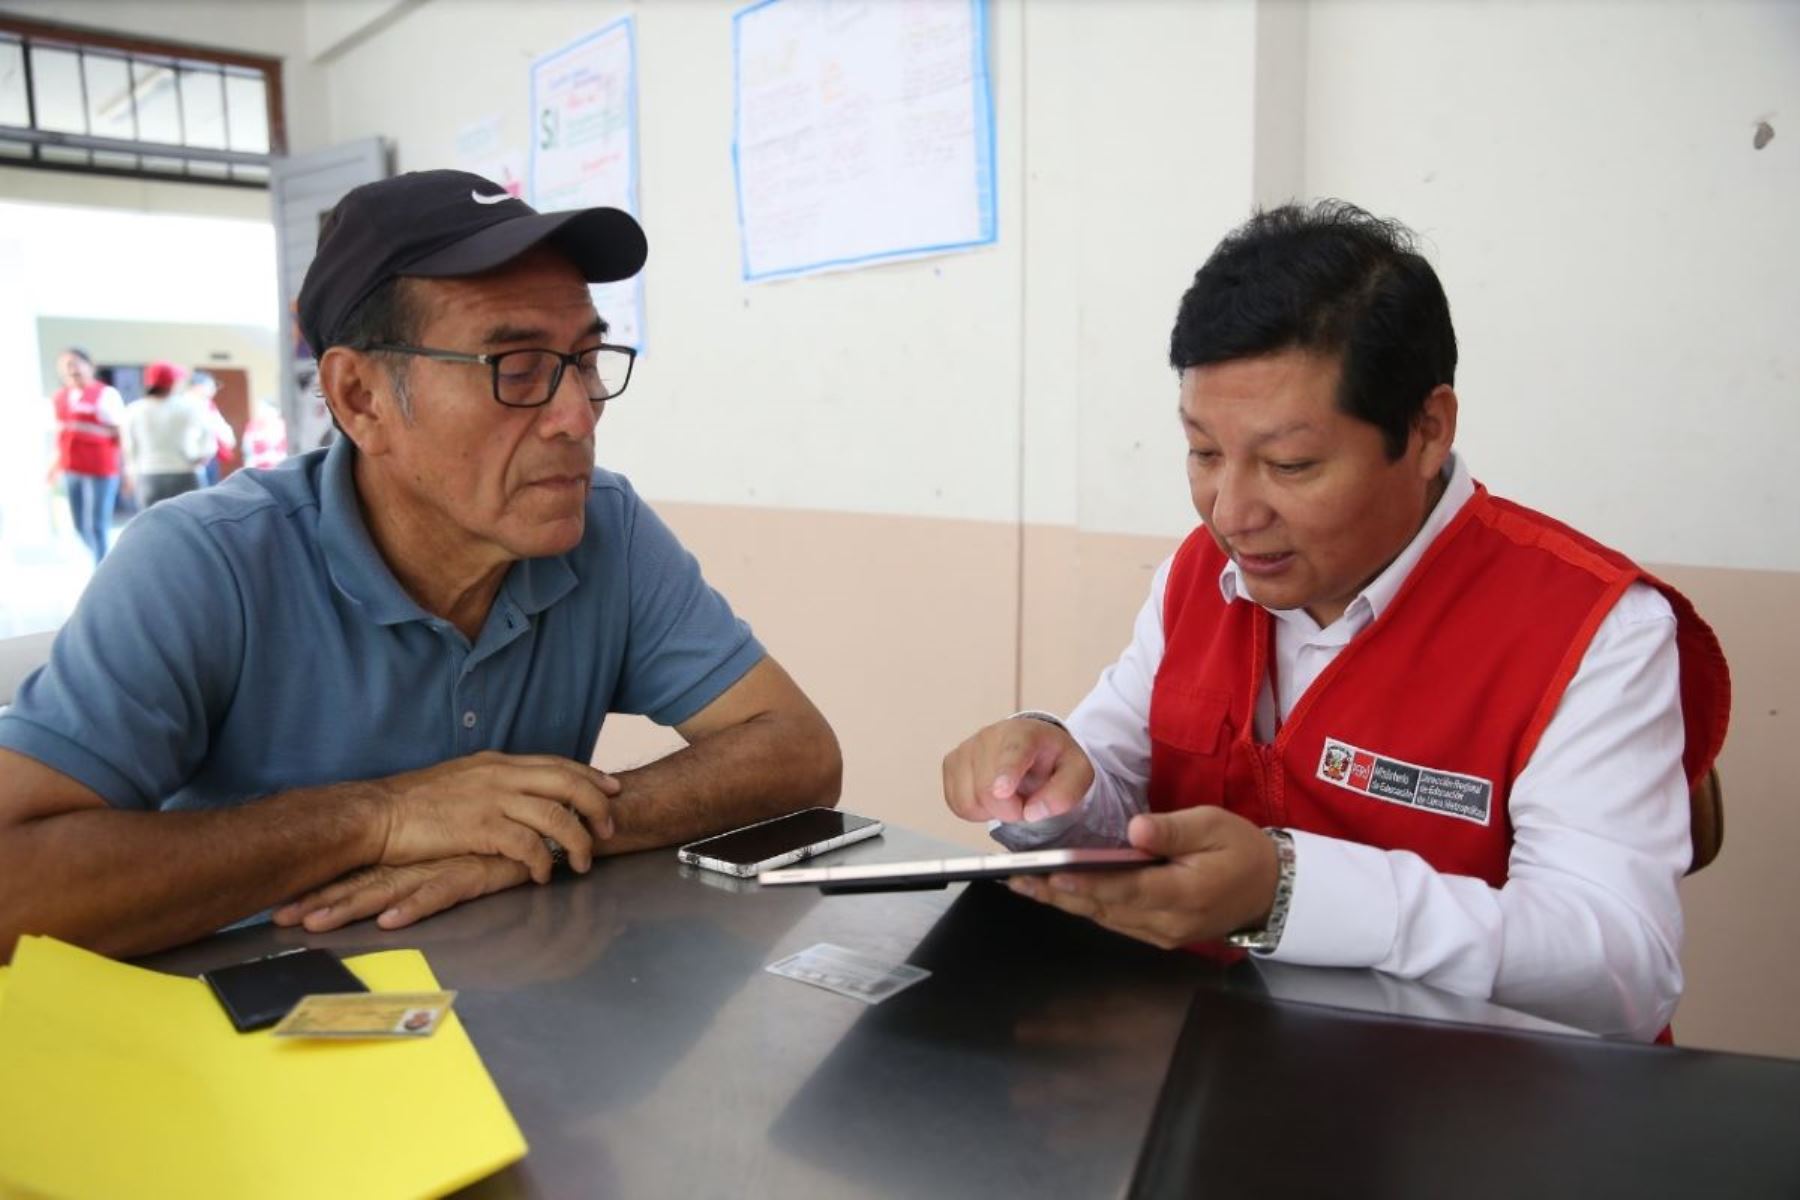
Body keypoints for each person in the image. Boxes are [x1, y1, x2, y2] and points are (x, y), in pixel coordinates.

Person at [0, 169, 841, 962]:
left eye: (585, 360)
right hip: (253, 1021)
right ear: (361, 398)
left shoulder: (603, 529)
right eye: (516, 370)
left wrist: (536, 829)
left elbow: (798, 751)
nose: (578, 416)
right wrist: (380, 816)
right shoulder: (206, 563)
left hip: (524, 1008)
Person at [940, 201, 1729, 1042]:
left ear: (1427, 431)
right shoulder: (1200, 576)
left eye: (1291, 464)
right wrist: (1048, 782)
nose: (1232, 513)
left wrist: (1287, 889)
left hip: (1471, 1114)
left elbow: (1623, 973)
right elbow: (1116, 785)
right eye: (1204, 453)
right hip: (1216, 1071)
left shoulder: (1594, 630)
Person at [47, 347, 126, 565]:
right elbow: (61, 435)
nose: (70, 370)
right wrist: (53, 467)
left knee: (97, 524)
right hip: (72, 467)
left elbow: (120, 434)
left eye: (74, 364)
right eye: (65, 367)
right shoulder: (60, 397)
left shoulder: (106, 394)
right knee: (79, 525)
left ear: (89, 365)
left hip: (101, 467)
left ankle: (102, 569)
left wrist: (127, 471)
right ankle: (104, 560)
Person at [121, 361, 214, 508]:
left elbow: (130, 447)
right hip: (186, 472)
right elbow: (208, 439)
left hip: (149, 475)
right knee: (191, 524)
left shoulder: (133, 410)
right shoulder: (191, 407)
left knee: (154, 525)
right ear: (172, 383)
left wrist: (131, 475)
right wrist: (202, 457)